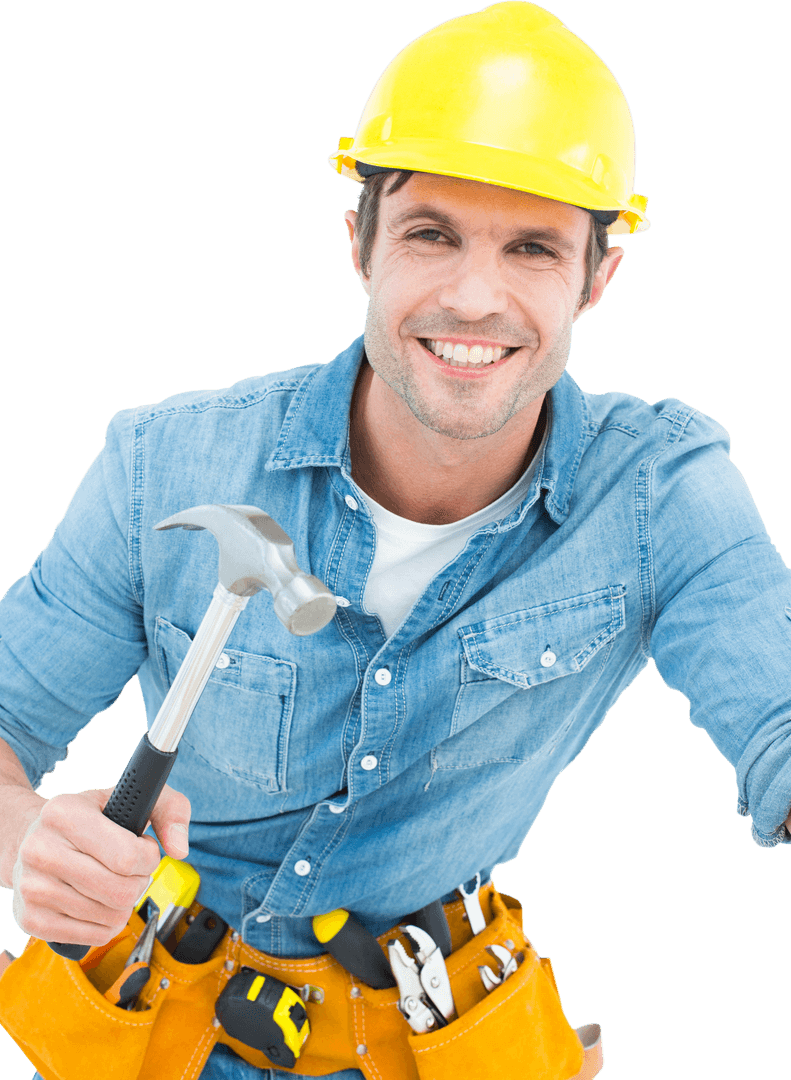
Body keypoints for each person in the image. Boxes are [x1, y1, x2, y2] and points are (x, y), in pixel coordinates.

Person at [1, 3, 790, 1078]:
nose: (474, 295)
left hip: (431, 1036)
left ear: (595, 278)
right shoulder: (167, 467)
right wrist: (25, 837)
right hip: (158, 1023)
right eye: (430, 233)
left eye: (531, 247)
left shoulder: (654, 496)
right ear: (360, 243)